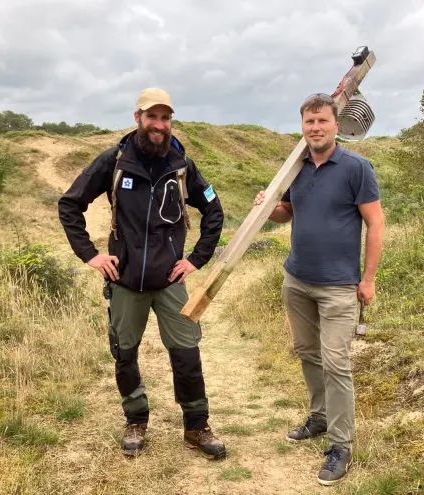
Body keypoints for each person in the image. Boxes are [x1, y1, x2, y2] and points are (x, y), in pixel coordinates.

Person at [58, 87, 226, 460]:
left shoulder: (182, 165)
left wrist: (196, 260)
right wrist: (91, 255)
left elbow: (214, 211)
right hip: (125, 281)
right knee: (125, 353)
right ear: (137, 118)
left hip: (170, 282)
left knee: (186, 353)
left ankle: (197, 426)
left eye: (165, 118)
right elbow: (70, 204)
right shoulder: (114, 161)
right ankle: (135, 420)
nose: (159, 125)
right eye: (152, 116)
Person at [254, 93, 385, 485]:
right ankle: (320, 417)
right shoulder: (297, 169)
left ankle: (341, 444)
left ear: (336, 124)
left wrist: (368, 279)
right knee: (308, 353)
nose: (315, 128)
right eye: (309, 122)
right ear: (303, 126)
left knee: (336, 363)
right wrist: (268, 204)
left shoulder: (356, 167)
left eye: (322, 121)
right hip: (297, 280)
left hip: (338, 287)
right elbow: (287, 213)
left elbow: (375, 224)